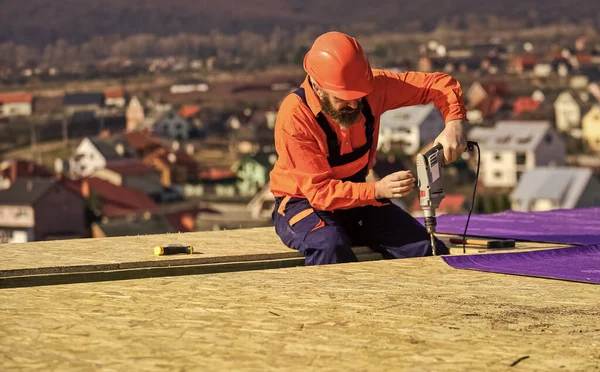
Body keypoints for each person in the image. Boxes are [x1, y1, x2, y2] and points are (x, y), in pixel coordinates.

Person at [269, 31, 468, 266]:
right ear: (317, 86)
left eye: (359, 96)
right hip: (302, 202)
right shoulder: (295, 116)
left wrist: (453, 124)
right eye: (343, 98)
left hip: (357, 199)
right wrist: (376, 191)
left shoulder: (373, 86)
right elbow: (320, 193)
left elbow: (439, 84)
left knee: (425, 249)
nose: (354, 104)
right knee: (330, 246)